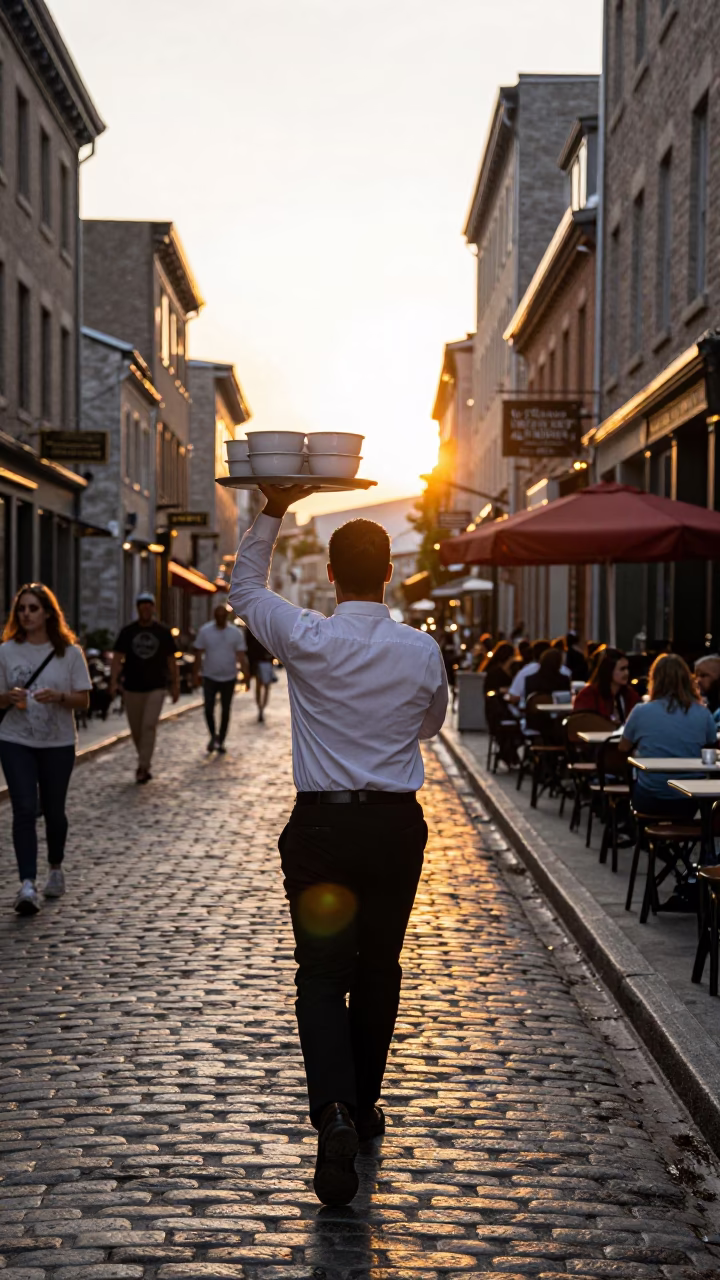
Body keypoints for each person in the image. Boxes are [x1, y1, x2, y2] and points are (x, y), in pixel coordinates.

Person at [229, 484, 447, 1209]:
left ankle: (335, 1112)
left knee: (323, 973)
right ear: (387, 574)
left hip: (322, 830)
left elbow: (245, 586)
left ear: (331, 576)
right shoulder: (421, 652)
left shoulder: (308, 637)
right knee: (379, 967)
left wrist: (272, 508)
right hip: (392, 829)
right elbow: (430, 727)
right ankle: (365, 1103)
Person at [0, 583, 92, 915]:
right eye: (21, 608)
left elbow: (83, 699)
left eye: (33, 608)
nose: (26, 614)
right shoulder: (6, 651)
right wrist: (7, 698)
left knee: (54, 811)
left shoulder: (69, 653)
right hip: (15, 740)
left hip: (58, 742)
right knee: (24, 807)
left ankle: (55, 866)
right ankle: (27, 883)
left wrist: (59, 697)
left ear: (48, 613)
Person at [620, 653, 717, 818]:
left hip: (650, 797)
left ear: (654, 679)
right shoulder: (703, 713)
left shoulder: (641, 712)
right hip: (690, 800)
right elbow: (711, 746)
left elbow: (623, 747)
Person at [110, 592, 179, 783]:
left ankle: (143, 766)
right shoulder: (128, 631)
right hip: (132, 686)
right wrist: (113, 681)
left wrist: (175, 685)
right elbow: (117, 658)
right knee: (136, 729)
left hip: (156, 685)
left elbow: (172, 660)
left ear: (154, 608)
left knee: (149, 725)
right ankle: (144, 759)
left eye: (149, 605)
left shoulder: (163, 632)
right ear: (138, 608)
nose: (146, 609)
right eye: (142, 605)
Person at [193, 605, 250, 753]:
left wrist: (246, 676)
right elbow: (198, 653)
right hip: (209, 676)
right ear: (214, 616)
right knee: (208, 708)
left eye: (223, 615)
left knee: (225, 710)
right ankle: (213, 735)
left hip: (229, 677)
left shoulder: (235, 633)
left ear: (227, 616)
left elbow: (241, 657)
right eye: (217, 615)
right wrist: (195, 674)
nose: (220, 618)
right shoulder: (205, 631)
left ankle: (221, 739)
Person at [573, 648, 639, 723]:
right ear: (609, 670)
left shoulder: (629, 694)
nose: (626, 673)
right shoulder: (588, 695)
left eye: (627, 668)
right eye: (622, 669)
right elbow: (580, 722)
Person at [507, 638, 571, 705]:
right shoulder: (565, 672)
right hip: (561, 713)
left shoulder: (525, 673)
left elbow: (513, 696)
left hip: (534, 713)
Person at [245, 626, 276, 723]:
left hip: (263, 661)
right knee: (262, 687)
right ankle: (260, 708)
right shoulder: (252, 629)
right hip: (259, 661)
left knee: (264, 687)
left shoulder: (268, 629)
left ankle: (261, 708)